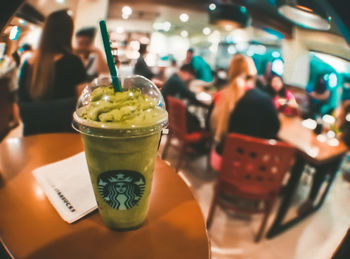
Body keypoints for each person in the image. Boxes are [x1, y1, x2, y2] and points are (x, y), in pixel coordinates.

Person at [18, 10, 87, 135]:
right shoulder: (74, 61)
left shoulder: (28, 63)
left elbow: (22, 109)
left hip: (33, 135)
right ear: (68, 33)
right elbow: (82, 104)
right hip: (64, 135)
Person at [209, 54, 280, 169]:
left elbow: (210, 127)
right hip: (251, 166)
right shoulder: (265, 100)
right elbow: (274, 129)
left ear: (231, 72)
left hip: (221, 159)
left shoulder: (220, 95)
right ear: (253, 74)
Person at [161, 64, 207, 132]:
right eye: (190, 76)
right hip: (170, 115)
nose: (188, 79)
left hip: (168, 112)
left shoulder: (174, 78)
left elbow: (185, 94)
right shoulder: (177, 81)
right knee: (198, 120)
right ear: (185, 73)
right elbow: (190, 95)